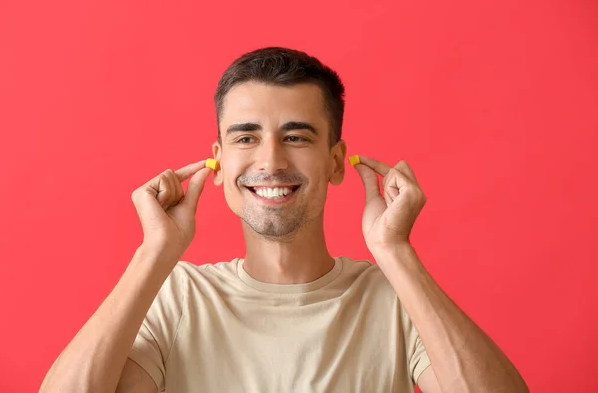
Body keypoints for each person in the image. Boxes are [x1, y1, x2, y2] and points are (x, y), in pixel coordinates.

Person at [40, 47, 529, 393]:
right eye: (246, 137)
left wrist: (396, 253)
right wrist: (153, 254)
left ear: (336, 162)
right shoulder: (177, 297)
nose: (270, 161)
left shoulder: (396, 298)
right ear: (219, 162)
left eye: (296, 137)